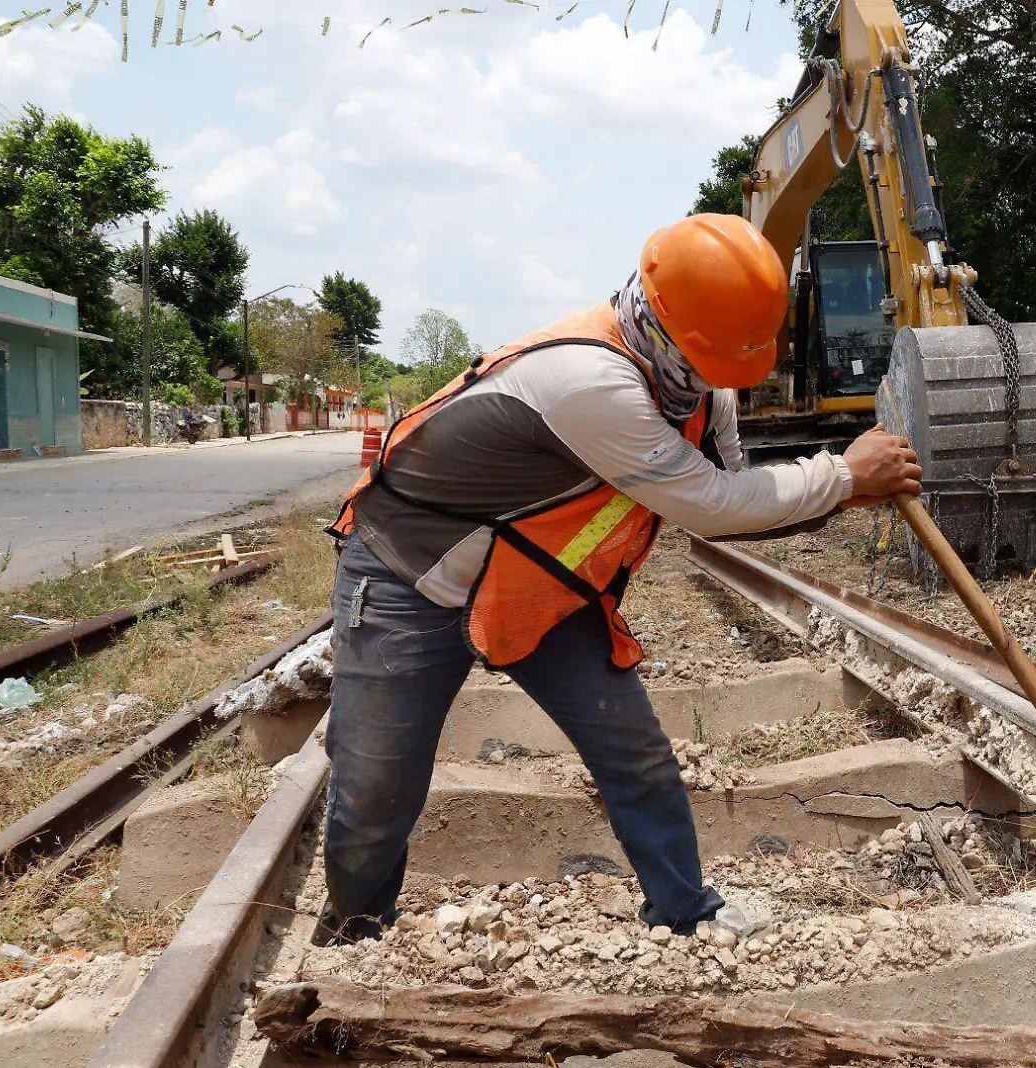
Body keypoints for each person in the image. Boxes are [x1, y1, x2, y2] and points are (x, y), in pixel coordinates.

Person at [318, 213, 922, 943]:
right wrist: (840, 473)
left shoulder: (699, 381)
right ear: (668, 329)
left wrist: (848, 489)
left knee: (633, 750)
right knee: (379, 783)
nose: (717, 385)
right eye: (711, 365)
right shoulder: (589, 380)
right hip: (407, 579)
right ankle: (355, 934)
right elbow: (709, 501)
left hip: (534, 587)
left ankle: (683, 914)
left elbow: (735, 505)